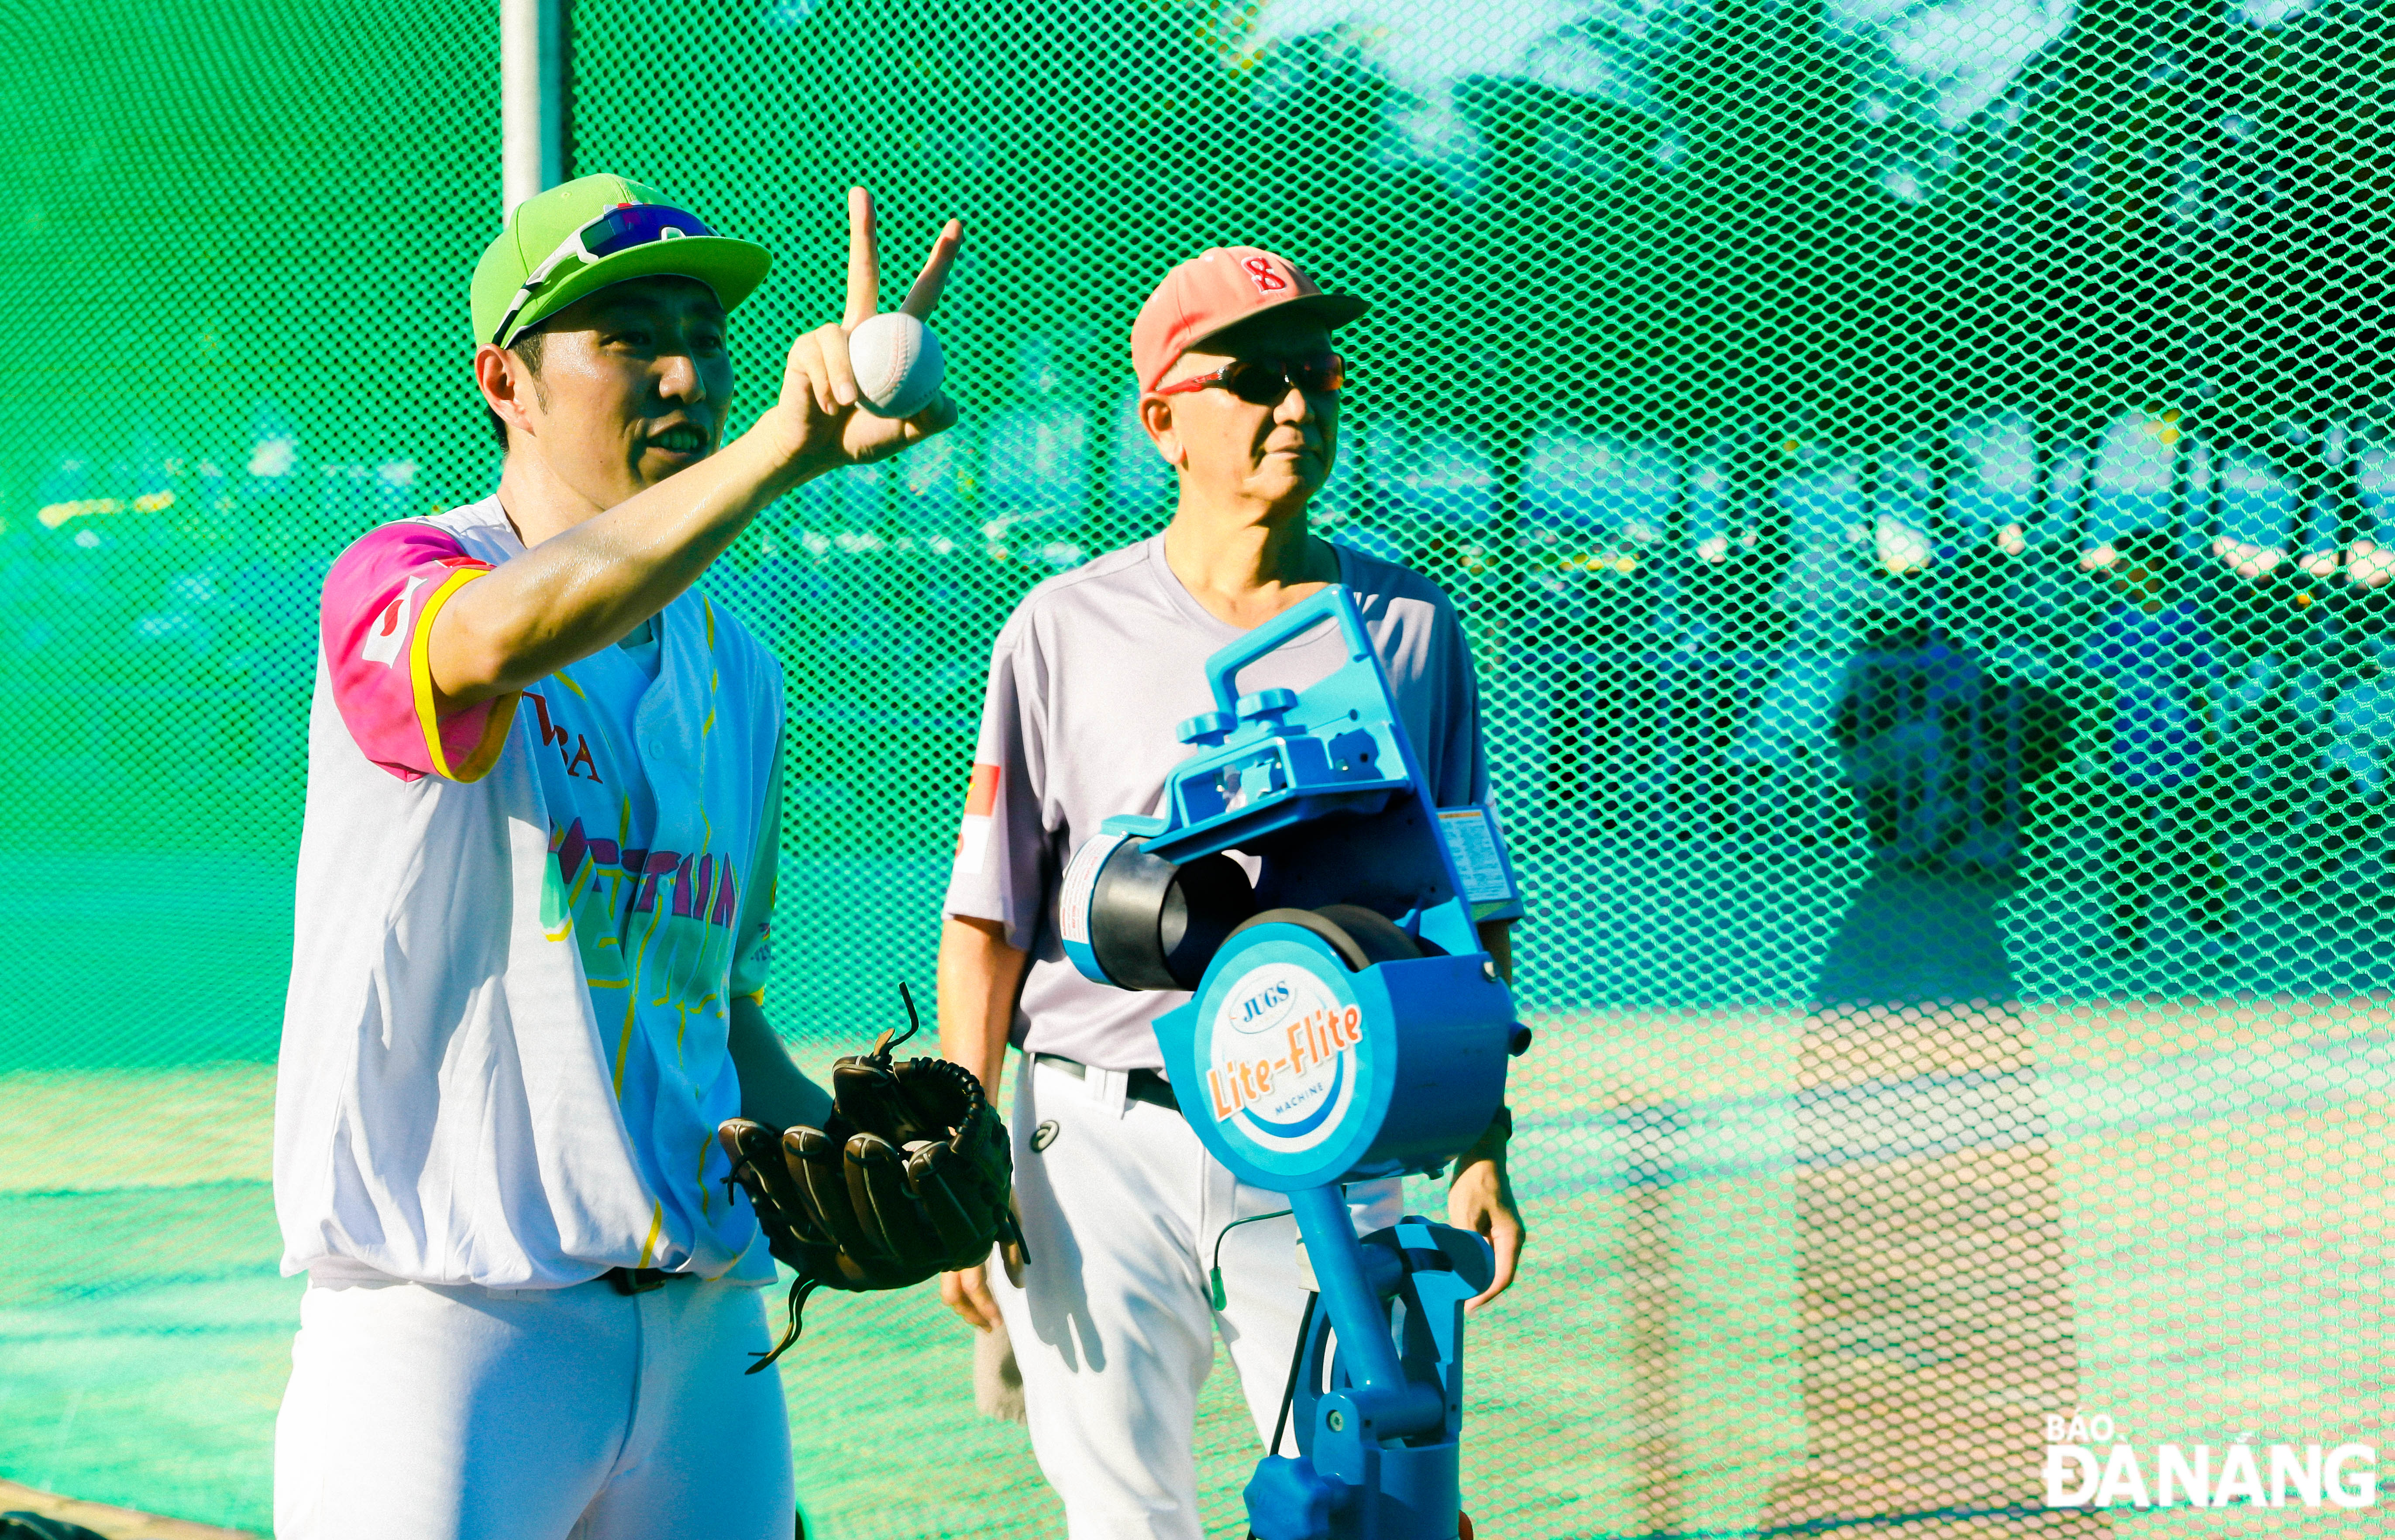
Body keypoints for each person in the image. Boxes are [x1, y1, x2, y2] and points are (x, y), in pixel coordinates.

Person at [270, 173, 961, 1540]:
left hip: (709, 1337)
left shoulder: (738, 671)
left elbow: (717, 1009)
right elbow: (493, 641)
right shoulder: (406, 577)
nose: (682, 370)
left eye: (703, 335)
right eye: (628, 333)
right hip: (454, 1336)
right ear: (506, 382)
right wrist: (779, 451)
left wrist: (849, 1153)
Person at [933, 246, 1528, 1539]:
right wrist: (970, 1159)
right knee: (1126, 1518)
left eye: (1313, 372)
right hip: (1092, 1140)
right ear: (1161, 421)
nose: (1297, 405)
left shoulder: (1409, 624)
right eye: (1252, 379)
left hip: (1327, 1120)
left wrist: (1479, 1136)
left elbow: (1466, 903)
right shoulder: (1061, 626)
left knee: (1377, 1503)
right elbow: (987, 918)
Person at [2078, 528, 2231, 960]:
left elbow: (2203, 690)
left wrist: (2210, 745)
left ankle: (2213, 928)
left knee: (2192, 838)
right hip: (2127, 743)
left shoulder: (2186, 621)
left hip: (2180, 743)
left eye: (2128, 564)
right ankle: (2126, 932)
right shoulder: (2114, 622)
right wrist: (2093, 742)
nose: (2119, 573)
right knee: (2127, 839)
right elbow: (2102, 689)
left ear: (2154, 569)